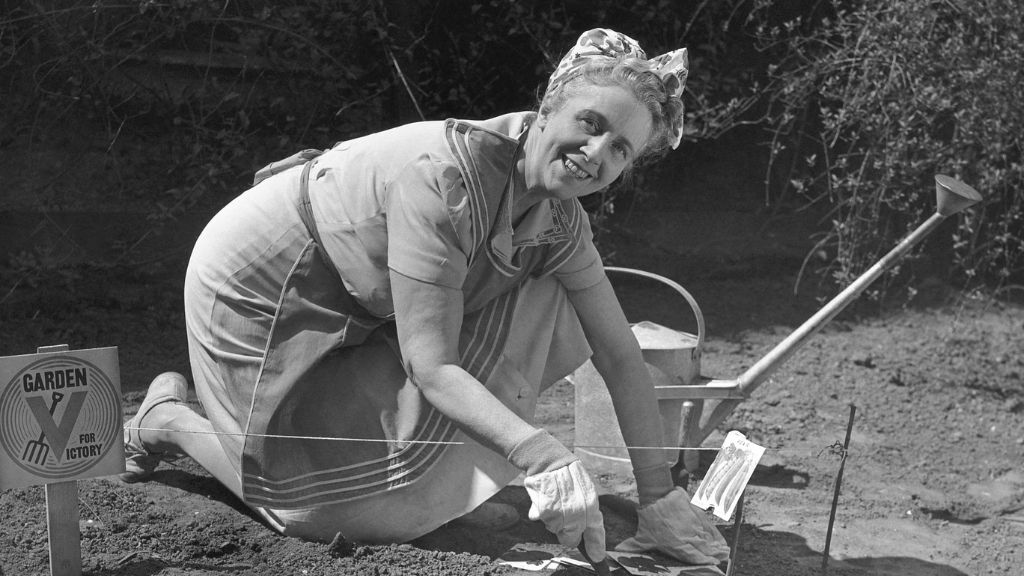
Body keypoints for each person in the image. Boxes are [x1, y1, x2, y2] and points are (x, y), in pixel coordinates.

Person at [120, 28, 730, 567]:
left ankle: (430, 490)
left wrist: (660, 495)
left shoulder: (560, 219)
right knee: (311, 516)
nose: (596, 153)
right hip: (267, 277)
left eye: (620, 148)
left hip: (366, 295)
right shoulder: (447, 180)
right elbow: (432, 365)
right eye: (589, 124)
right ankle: (168, 422)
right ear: (546, 109)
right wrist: (542, 454)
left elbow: (620, 353)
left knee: (554, 290)